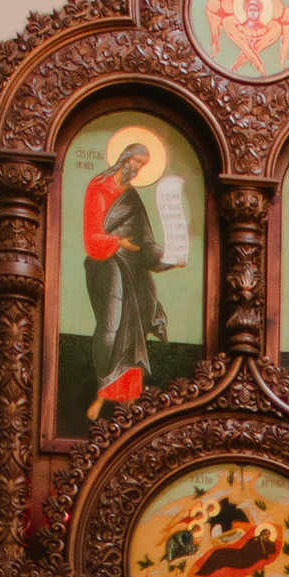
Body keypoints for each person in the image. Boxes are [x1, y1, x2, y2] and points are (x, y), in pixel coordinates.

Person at [82, 132, 166, 412]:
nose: (138, 169)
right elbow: (91, 238)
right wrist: (118, 242)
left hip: (133, 270)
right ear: (124, 158)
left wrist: (168, 256)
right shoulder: (98, 187)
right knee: (111, 327)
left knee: (135, 329)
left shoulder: (132, 197)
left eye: (143, 165)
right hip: (105, 264)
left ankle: (130, 399)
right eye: (137, 161)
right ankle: (102, 391)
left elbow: (146, 241)